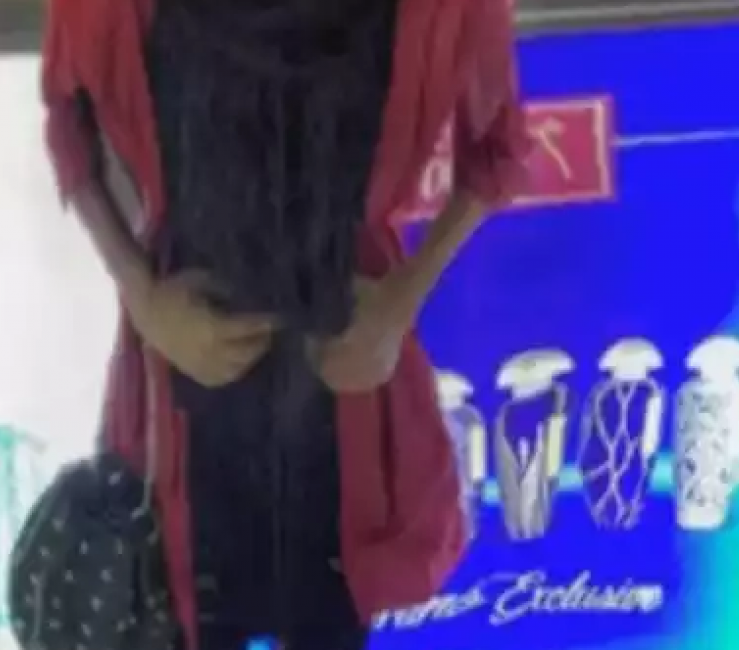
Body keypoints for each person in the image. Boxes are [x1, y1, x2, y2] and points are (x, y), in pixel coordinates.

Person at [36, 0, 527, 648]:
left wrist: (399, 304)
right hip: (184, 394)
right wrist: (145, 299)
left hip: (344, 400)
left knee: (330, 615)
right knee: (182, 613)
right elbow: (68, 124)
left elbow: (497, 149)